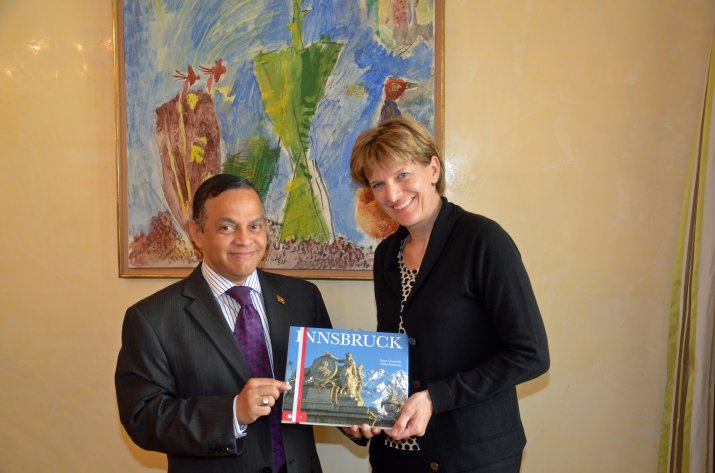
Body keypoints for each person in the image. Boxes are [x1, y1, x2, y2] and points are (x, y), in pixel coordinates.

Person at [345, 118, 550, 472]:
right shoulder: (386, 255)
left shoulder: (483, 240)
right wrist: (361, 406)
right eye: (378, 184)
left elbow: (530, 354)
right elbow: (397, 349)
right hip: (398, 456)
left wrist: (436, 398)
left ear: (433, 169)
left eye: (402, 175)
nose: (392, 194)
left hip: (473, 457)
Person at [115, 174, 332, 473]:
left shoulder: (303, 298)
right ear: (197, 232)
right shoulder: (152, 318)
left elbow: (323, 385)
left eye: (255, 226)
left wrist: (355, 418)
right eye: (227, 227)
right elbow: (143, 418)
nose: (244, 240)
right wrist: (233, 413)